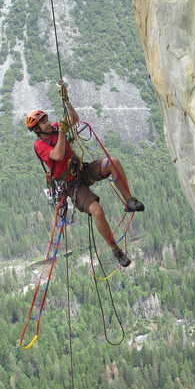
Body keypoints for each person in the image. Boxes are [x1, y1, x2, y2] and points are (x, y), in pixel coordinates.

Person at [25, 91, 144, 268]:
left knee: (113, 163)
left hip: (81, 170)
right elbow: (57, 155)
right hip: (71, 184)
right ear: (36, 129)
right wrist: (63, 134)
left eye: (46, 119)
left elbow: (74, 117)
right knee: (97, 211)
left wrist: (67, 101)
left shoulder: (57, 128)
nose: (48, 122)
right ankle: (115, 250)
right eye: (43, 122)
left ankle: (129, 201)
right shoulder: (40, 145)